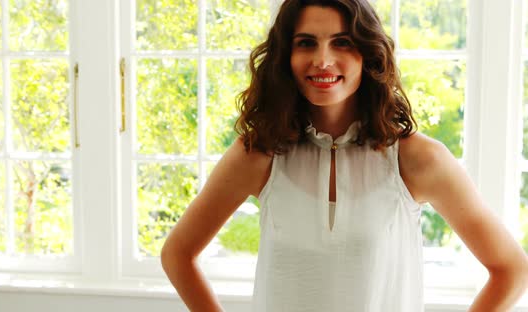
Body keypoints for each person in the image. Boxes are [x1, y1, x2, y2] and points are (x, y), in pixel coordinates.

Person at [161, 0, 528, 311]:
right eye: (306, 43)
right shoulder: (260, 153)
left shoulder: (418, 159)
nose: (322, 60)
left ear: (367, 53)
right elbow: (177, 253)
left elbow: (511, 268)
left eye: (342, 43)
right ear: (285, 56)